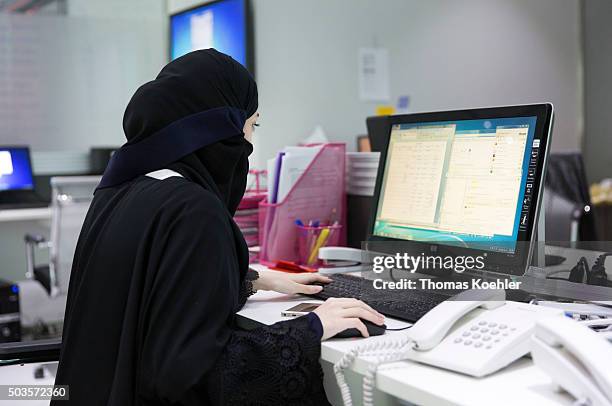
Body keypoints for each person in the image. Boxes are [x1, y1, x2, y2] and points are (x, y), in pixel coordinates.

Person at [53, 49, 384, 406]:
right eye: (252, 125)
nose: (250, 142)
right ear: (222, 128)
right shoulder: (193, 210)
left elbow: (150, 290)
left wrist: (251, 279)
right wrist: (314, 327)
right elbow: (197, 376)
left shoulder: (123, 189)